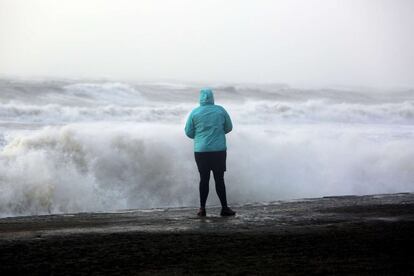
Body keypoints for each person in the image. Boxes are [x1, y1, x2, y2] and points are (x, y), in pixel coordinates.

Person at [185, 88, 236, 217]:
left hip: (201, 151)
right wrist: (217, 134)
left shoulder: (195, 113)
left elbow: (189, 132)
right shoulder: (220, 110)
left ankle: (202, 209)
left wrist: (201, 137)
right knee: (219, 179)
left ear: (200, 98)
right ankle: (224, 208)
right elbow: (229, 127)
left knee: (204, 179)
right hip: (218, 150)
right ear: (212, 98)